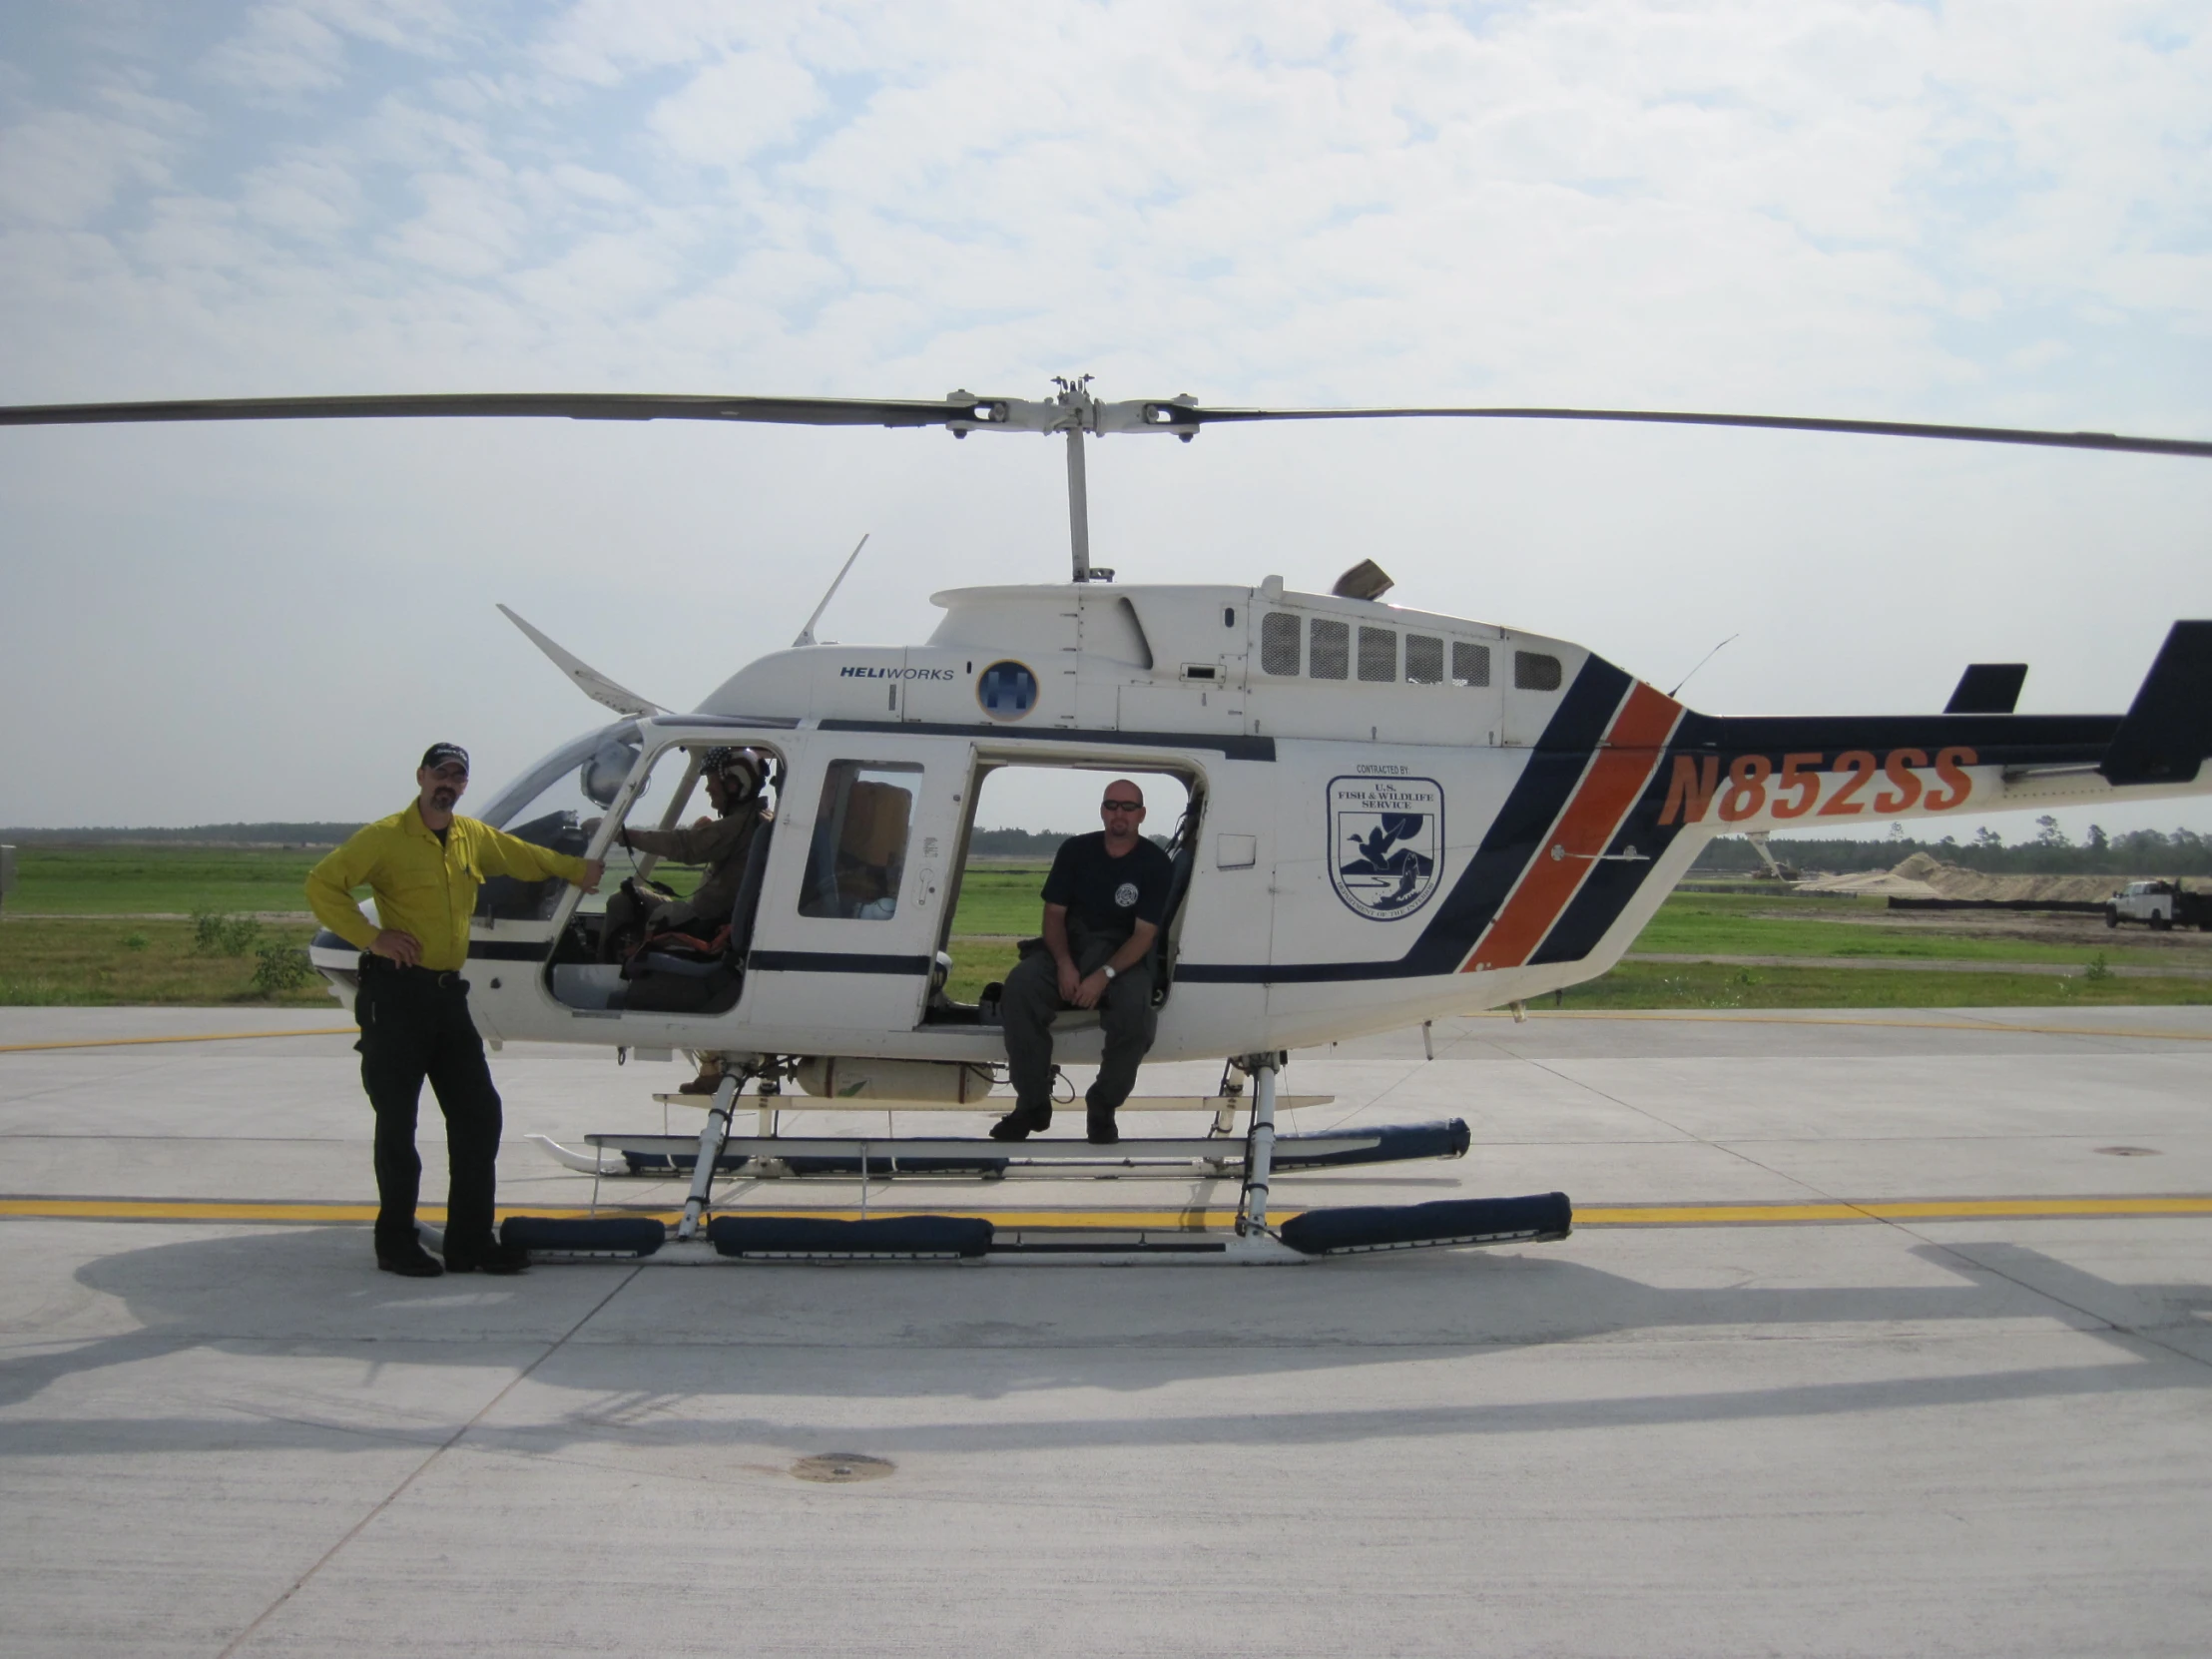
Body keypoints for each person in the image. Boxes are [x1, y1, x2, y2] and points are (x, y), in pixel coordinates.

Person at [306, 744, 604, 1278]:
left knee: (478, 1116)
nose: (448, 783)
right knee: (398, 1123)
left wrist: (577, 868)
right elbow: (323, 885)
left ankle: (469, 1242)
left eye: (458, 776)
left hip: (447, 998)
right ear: (421, 777)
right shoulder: (384, 838)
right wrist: (372, 938)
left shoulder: (471, 836)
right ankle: (395, 1241)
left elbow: (522, 856)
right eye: (440, 773)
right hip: (396, 997)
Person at [991, 779, 1175, 1145]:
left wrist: (1103, 976)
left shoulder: (1155, 863)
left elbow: (1143, 935)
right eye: (1111, 805)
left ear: (1141, 814)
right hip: (1069, 947)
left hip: (1121, 957)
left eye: (1127, 806)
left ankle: (1103, 1105)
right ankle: (1032, 1105)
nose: (1118, 813)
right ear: (1102, 810)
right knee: (1020, 989)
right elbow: (1054, 914)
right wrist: (1063, 964)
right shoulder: (1075, 850)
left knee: (1136, 1018)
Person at [600, 745, 773, 1093]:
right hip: (711, 916)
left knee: (623, 902)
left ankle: (609, 991)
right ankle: (711, 1070)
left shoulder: (738, 825)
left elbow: (686, 846)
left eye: (712, 787)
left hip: (702, 920)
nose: (710, 796)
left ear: (735, 785)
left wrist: (622, 834)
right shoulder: (754, 822)